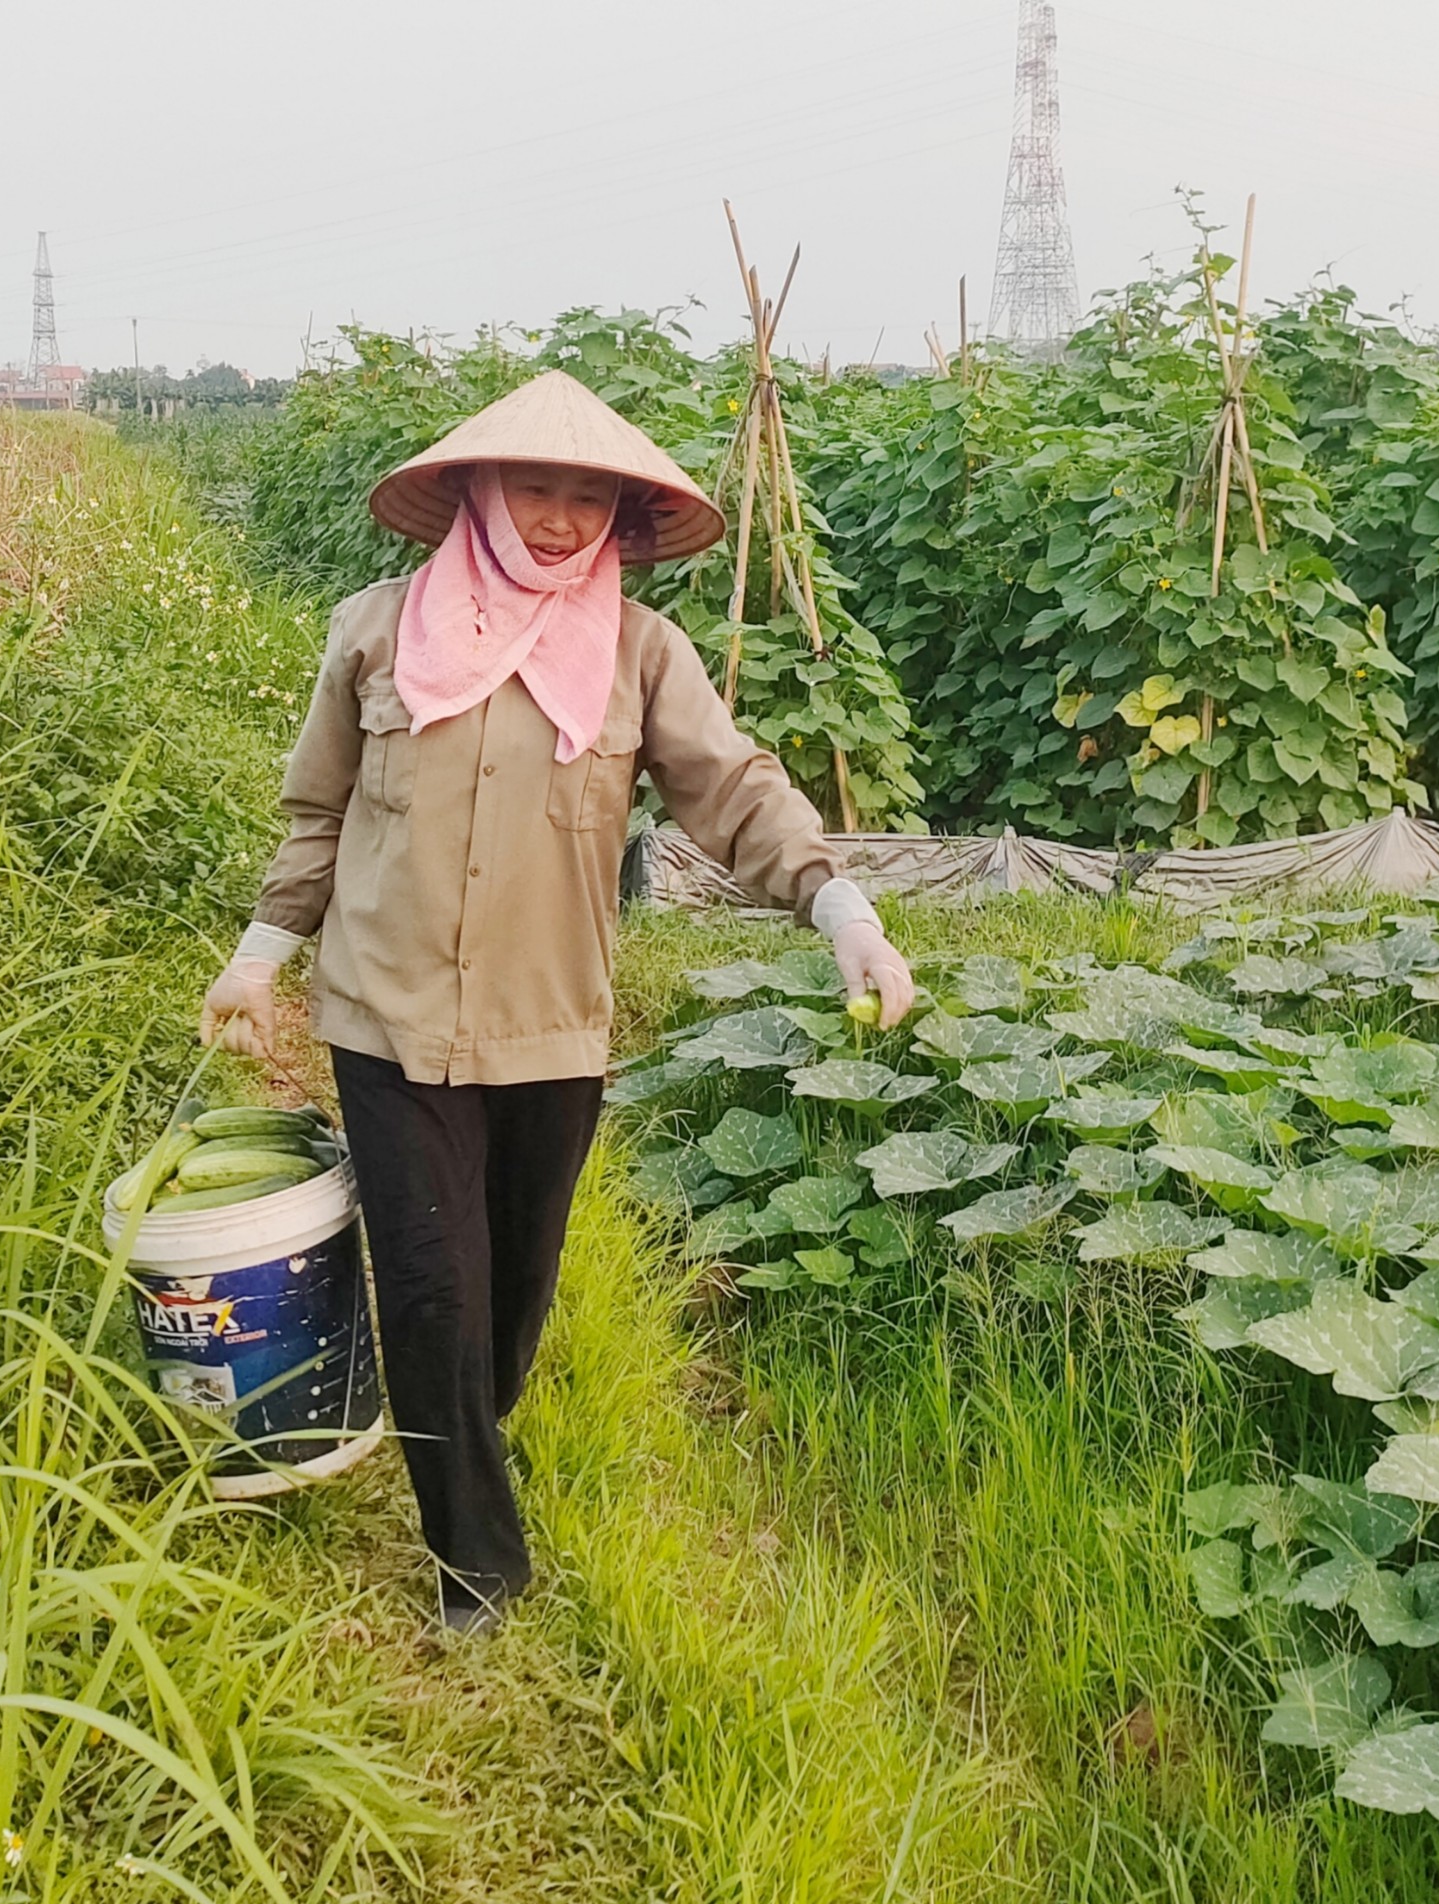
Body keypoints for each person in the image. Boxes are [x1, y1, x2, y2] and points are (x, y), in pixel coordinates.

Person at [199, 371, 915, 1636]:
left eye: (590, 498)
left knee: (510, 1291)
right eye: (536, 485)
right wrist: (258, 956)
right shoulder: (374, 630)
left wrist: (842, 914)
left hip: (550, 1022)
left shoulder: (641, 654)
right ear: (477, 490)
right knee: (428, 1285)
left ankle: (464, 1414)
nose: (560, 517)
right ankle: (475, 1561)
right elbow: (318, 813)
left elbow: (735, 793)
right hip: (388, 1010)